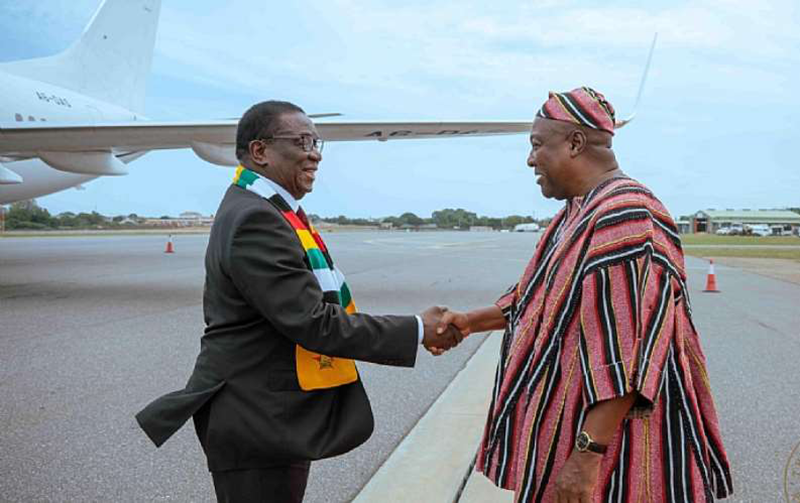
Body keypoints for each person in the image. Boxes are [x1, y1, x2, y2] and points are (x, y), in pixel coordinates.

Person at [135, 100, 462, 503]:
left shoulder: (266, 209)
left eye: (317, 141)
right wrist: (417, 329)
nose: (315, 153)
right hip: (254, 417)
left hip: (268, 414)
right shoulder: (256, 218)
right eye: (302, 141)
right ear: (260, 151)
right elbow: (313, 321)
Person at [439, 87, 733, 502]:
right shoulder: (580, 208)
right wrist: (469, 322)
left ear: (575, 143)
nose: (530, 159)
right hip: (571, 436)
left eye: (538, 145)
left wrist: (587, 455)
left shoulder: (624, 214)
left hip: (615, 449)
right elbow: (537, 296)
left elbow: (628, 352)